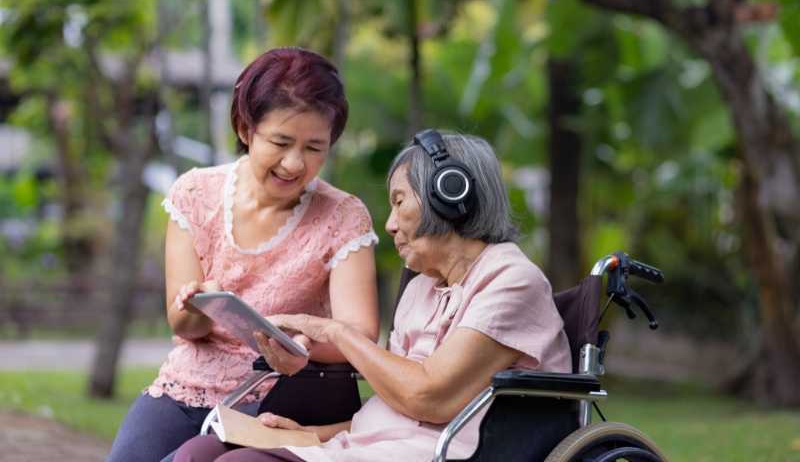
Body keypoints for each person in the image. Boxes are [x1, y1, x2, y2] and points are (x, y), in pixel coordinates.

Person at [173, 130, 571, 462]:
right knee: (196, 454)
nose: (390, 224)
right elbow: (394, 411)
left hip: (436, 453)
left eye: (399, 202)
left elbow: (424, 397)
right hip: (374, 446)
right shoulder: (422, 288)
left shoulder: (512, 280)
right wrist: (311, 434)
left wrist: (336, 332)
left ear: (450, 194)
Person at [107, 47, 381, 462]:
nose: (295, 163)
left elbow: (359, 335)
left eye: (314, 147)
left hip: (281, 394)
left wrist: (304, 345)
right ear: (245, 127)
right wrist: (202, 304)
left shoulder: (344, 216)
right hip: (186, 386)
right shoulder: (195, 194)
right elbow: (183, 324)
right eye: (281, 142)